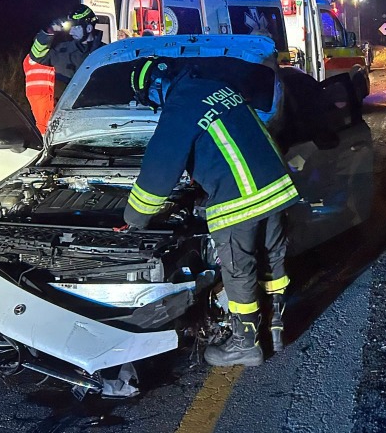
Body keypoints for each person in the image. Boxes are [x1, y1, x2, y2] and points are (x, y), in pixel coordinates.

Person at [123, 57, 300, 366]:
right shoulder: (217, 88)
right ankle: (276, 324)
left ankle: (245, 344)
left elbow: (159, 169)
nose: (156, 104)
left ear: (156, 84)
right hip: (277, 185)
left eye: (151, 98)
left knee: (238, 269)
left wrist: (134, 218)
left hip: (241, 197)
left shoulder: (179, 104)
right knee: (272, 255)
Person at [23, 4, 102, 133]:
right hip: (65, 121)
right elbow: (36, 56)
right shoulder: (62, 50)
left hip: (95, 120)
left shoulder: (105, 52)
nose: (71, 32)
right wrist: (49, 32)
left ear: (88, 28)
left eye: (75, 28)